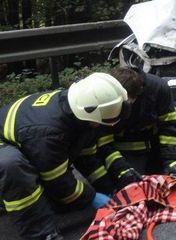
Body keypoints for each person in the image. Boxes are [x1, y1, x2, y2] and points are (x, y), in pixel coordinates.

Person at [0, 73, 128, 240]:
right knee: (12, 165)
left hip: (27, 141)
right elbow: (58, 182)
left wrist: (107, 188)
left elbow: (86, 157)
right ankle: (42, 233)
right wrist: (91, 197)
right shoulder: (49, 132)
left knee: (63, 196)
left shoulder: (78, 111)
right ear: (90, 112)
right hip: (7, 149)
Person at [104, 67, 176, 178]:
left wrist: (170, 160)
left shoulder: (157, 87)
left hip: (151, 137)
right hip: (125, 144)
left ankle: (162, 154)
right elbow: (102, 138)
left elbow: (169, 123)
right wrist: (119, 166)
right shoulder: (105, 95)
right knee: (132, 180)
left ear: (138, 93)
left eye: (128, 102)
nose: (126, 105)